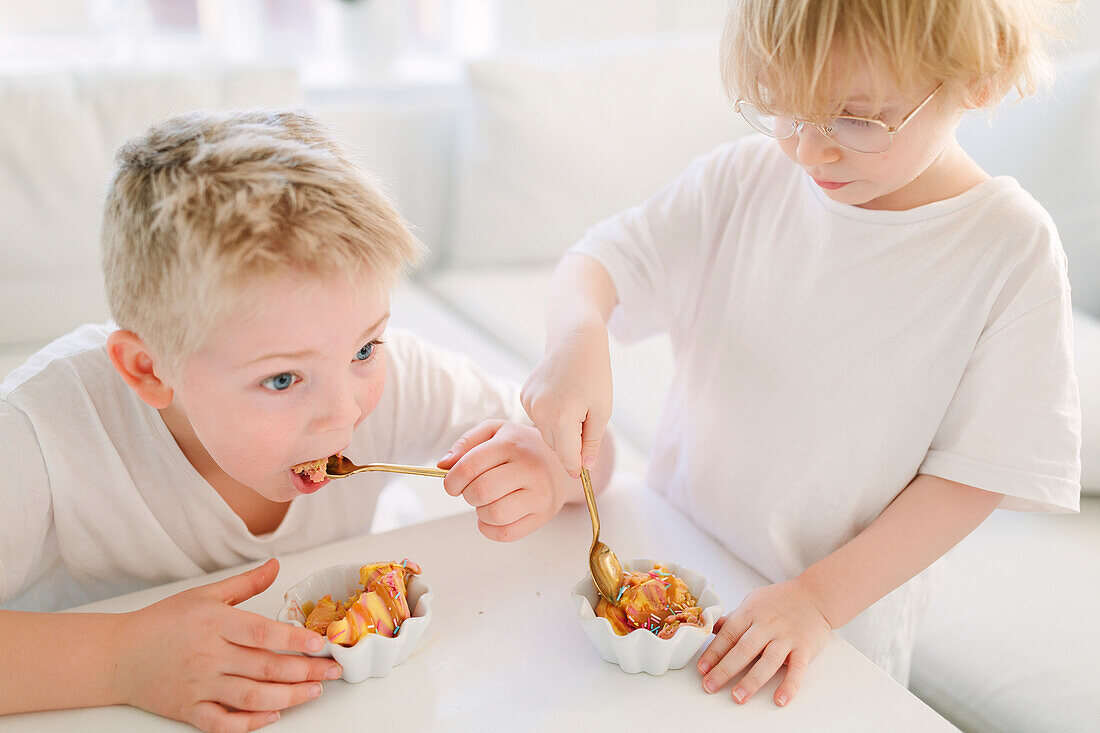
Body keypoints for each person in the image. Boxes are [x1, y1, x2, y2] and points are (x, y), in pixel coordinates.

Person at [520, 0, 1081, 707]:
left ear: (979, 79)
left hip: (822, 641)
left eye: (856, 118)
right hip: (670, 570)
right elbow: (600, 262)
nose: (809, 150)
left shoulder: (1007, 249)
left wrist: (816, 600)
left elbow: (976, 476)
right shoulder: (746, 180)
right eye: (782, 107)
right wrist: (577, 336)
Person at [0, 109, 613, 731]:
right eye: (282, 380)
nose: (344, 412)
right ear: (150, 371)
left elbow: (595, 446)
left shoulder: (392, 379)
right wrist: (120, 660)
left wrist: (549, 468)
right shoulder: (40, 432)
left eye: (365, 349)